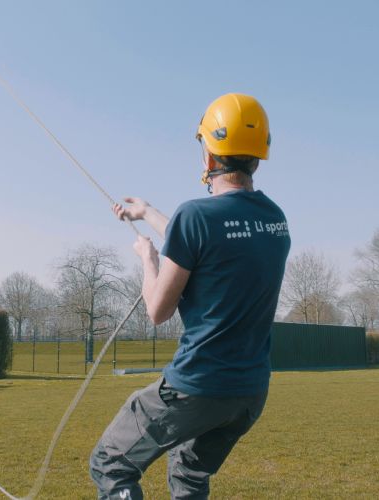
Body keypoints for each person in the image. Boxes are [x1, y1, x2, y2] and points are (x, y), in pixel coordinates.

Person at [89, 93, 291, 499]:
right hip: (250, 394)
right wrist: (147, 212)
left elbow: (157, 310)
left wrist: (148, 259)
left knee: (110, 463)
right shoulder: (274, 219)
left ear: (209, 155)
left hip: (197, 387)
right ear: (258, 155)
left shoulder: (195, 216)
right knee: (189, 473)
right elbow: (206, 238)